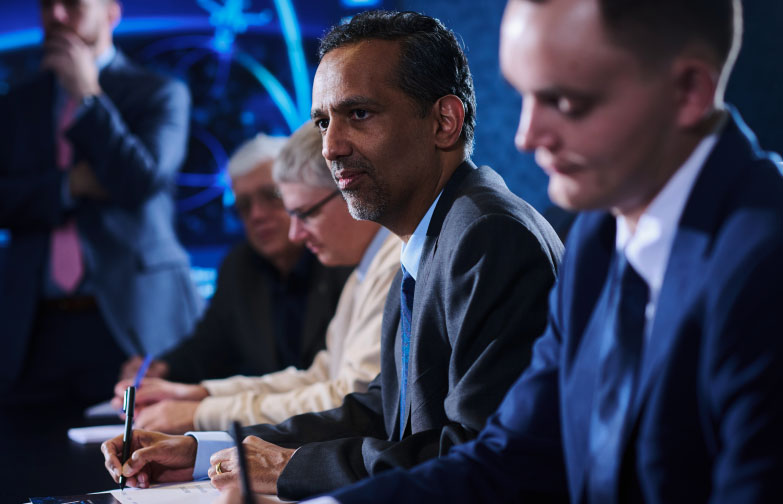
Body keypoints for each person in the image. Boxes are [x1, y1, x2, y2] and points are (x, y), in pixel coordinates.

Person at [281, 0, 783, 503]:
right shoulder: (598, 236)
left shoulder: (763, 259)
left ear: (688, 91)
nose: (526, 136)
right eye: (523, 96)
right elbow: (515, 454)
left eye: (563, 100)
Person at [101, 10, 563, 500]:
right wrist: (209, 451)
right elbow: (381, 411)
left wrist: (294, 468)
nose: (330, 147)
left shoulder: (485, 236)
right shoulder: (431, 233)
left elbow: (482, 456)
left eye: (359, 114)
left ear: (444, 122)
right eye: (323, 121)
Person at [111, 123, 397, 435]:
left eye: (304, 213)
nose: (295, 232)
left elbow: (348, 399)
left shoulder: (378, 260)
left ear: (349, 189)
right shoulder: (361, 261)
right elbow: (322, 376)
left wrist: (203, 413)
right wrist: (201, 393)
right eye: (244, 206)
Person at [0, 0, 202, 407]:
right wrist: (68, 185)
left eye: (72, 4)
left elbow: (139, 182)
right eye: (46, 5)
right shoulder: (15, 106)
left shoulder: (160, 92)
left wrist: (88, 96)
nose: (56, 15)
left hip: (131, 321)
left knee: (138, 458)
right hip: (31, 324)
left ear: (111, 12)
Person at [114, 134, 352, 390]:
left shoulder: (342, 254)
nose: (257, 215)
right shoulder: (239, 267)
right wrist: (160, 369)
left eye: (271, 195)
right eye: (244, 205)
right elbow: (207, 350)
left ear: (299, 192)